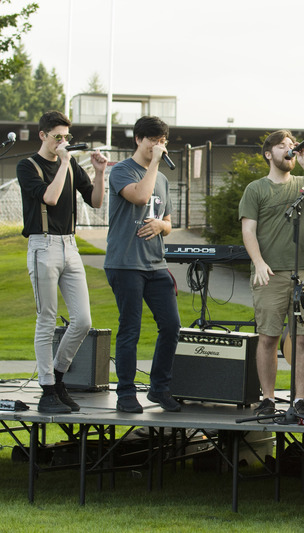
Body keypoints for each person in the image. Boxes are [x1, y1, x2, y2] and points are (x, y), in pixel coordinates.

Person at [17, 111, 108, 413]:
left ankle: (57, 378)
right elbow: (50, 198)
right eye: (58, 136)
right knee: (47, 318)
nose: (64, 142)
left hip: (70, 245)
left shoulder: (70, 167)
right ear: (43, 135)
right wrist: (65, 161)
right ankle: (46, 391)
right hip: (42, 245)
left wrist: (98, 173)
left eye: (66, 137)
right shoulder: (27, 166)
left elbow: (94, 202)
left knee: (83, 320)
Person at [239, 130, 304, 419]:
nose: (289, 149)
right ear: (269, 153)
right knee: (267, 337)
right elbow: (248, 230)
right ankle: (267, 399)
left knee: (303, 338)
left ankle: (300, 400)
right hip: (269, 273)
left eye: (291, 145)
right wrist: (259, 262)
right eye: (282, 146)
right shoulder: (256, 189)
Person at [105, 116, 181, 414]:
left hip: (155, 264)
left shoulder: (161, 178)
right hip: (125, 263)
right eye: (153, 141)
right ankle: (125, 393)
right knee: (130, 328)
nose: (158, 146)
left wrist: (161, 226)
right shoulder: (122, 170)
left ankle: (159, 388)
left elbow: (169, 223)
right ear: (139, 139)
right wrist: (153, 164)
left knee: (171, 325)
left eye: (162, 141)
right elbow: (139, 196)